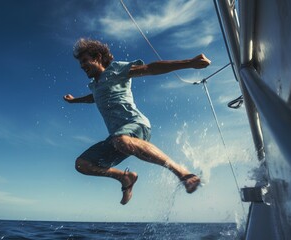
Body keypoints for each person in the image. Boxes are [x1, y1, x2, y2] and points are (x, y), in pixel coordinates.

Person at [63, 38, 211, 205]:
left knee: (121, 140)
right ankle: (124, 178)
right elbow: (94, 98)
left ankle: (182, 173)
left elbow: (150, 68)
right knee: (82, 164)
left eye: (84, 61)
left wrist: (189, 62)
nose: (82, 66)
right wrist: (75, 101)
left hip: (137, 125)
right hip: (118, 139)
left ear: (97, 57)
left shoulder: (115, 70)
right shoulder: (95, 85)